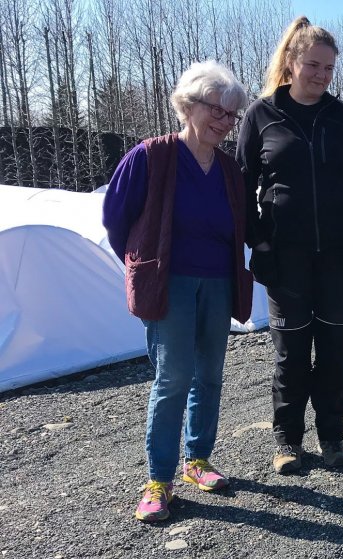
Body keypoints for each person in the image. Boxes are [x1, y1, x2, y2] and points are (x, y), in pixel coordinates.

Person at [103, 61, 252, 522]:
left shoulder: (229, 169)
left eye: (233, 116)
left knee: (209, 375)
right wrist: (143, 263)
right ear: (188, 105)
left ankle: (199, 459)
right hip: (171, 282)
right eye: (218, 111)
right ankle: (158, 479)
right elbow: (116, 219)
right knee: (173, 378)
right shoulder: (151, 156)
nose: (225, 123)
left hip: (219, 281)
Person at [236, 17, 343, 475]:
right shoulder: (261, 115)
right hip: (286, 260)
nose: (322, 75)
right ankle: (287, 441)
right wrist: (259, 245)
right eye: (313, 65)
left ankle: (332, 438)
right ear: (291, 63)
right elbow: (243, 188)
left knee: (335, 353)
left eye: (329, 68)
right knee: (291, 353)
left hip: (339, 258)